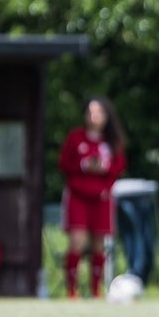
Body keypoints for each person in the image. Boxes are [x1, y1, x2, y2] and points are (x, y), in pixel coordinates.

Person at [59, 96, 128, 298]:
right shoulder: (76, 138)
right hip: (78, 196)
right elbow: (64, 164)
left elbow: (118, 167)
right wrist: (84, 165)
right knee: (77, 242)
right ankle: (71, 291)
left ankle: (95, 290)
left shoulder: (112, 142)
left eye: (98, 112)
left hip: (102, 198)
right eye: (90, 112)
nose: (93, 116)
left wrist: (104, 171)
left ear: (106, 116)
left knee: (99, 244)